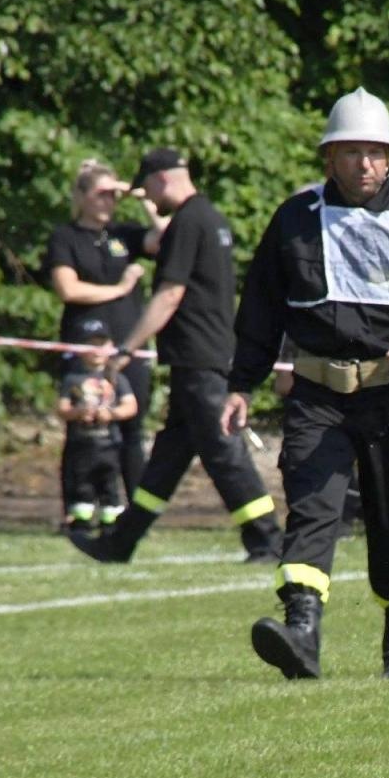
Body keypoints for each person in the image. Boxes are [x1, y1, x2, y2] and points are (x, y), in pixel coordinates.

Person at [223, 88, 389, 681]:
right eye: (351, 153)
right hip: (318, 394)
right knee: (312, 506)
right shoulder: (294, 220)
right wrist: (241, 385)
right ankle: (302, 631)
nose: (364, 165)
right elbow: (261, 311)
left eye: (375, 153)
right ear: (329, 157)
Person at [68, 148, 282, 565]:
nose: (148, 197)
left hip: (199, 358)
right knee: (167, 459)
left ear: (162, 178)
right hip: (200, 356)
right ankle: (120, 541)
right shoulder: (210, 218)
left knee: (223, 451)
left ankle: (267, 539)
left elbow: (169, 294)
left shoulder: (188, 221)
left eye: (148, 187)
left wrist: (127, 347)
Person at [44, 159, 165, 506]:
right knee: (82, 425)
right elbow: (68, 289)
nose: (108, 202)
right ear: (81, 196)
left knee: (132, 425)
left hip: (129, 344)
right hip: (85, 344)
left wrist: (142, 197)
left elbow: (166, 237)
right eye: (100, 194)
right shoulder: (66, 237)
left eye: (113, 196)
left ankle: (135, 509)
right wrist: (120, 288)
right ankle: (77, 507)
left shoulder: (123, 235)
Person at [56, 317, 137, 532]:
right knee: (82, 484)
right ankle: (81, 520)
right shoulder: (72, 379)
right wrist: (78, 412)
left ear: (111, 347)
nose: (96, 350)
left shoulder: (116, 378)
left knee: (109, 484)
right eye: (90, 344)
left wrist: (110, 413)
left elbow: (131, 406)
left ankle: (110, 520)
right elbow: (61, 409)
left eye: (101, 344)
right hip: (81, 443)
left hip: (109, 443)